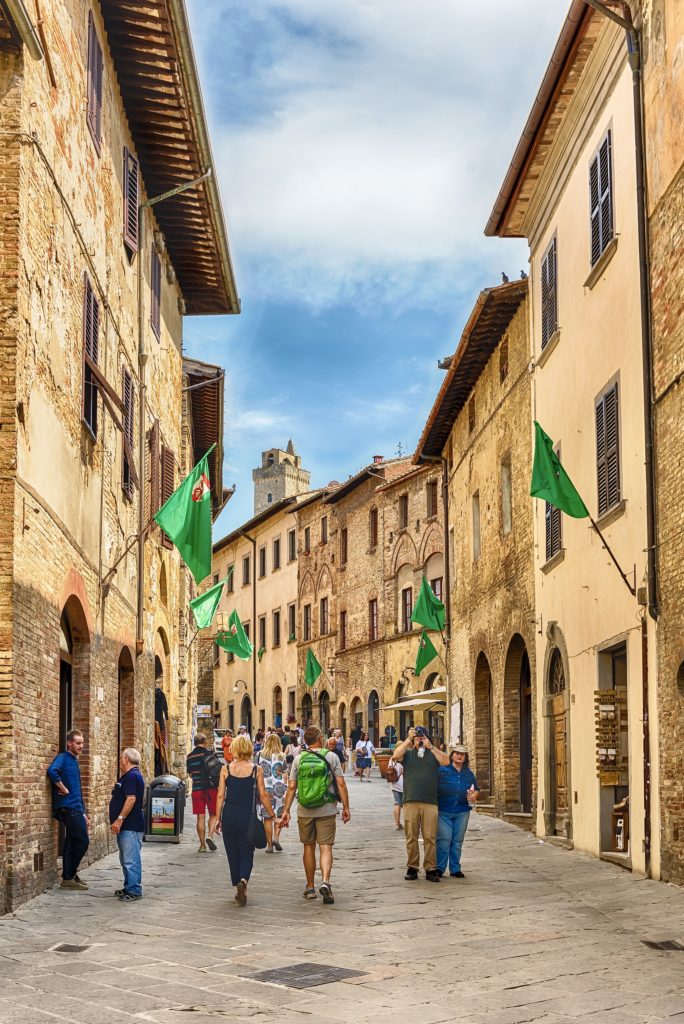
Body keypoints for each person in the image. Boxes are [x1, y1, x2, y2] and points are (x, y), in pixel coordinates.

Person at [280, 726, 350, 905]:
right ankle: (325, 881)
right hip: (326, 807)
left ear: (306, 741)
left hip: (304, 809)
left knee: (308, 847)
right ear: (320, 739)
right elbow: (341, 784)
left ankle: (310, 887)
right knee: (325, 846)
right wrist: (346, 807)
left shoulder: (299, 759)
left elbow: (291, 787)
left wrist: (286, 811)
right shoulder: (331, 756)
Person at [210, 736, 276, 906]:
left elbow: (220, 795)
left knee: (233, 852)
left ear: (234, 749)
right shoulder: (256, 769)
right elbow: (263, 795)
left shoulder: (226, 769)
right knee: (247, 851)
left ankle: (238, 885)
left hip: (230, 815)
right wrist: (272, 814)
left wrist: (218, 818)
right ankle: (244, 881)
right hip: (248, 816)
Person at [391, 726, 449, 882]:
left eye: (421, 737)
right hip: (410, 801)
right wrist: (409, 740)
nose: (419, 739)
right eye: (417, 737)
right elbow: (396, 756)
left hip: (430, 802)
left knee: (430, 837)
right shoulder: (408, 754)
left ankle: (430, 868)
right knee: (411, 837)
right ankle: (412, 867)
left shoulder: (432, 754)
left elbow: (446, 761)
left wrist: (431, 746)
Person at [47, 728, 90, 890]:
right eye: (78, 743)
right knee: (83, 841)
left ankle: (68, 877)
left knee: (71, 842)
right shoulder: (63, 758)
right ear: (69, 743)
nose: (81, 746)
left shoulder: (74, 761)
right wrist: (62, 788)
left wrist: (83, 812)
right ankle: (69, 875)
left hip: (75, 808)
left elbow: (78, 790)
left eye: (82, 743)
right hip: (67, 807)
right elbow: (52, 772)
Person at [437, 744, 479, 878]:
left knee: (457, 841)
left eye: (462, 754)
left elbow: (476, 789)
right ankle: (439, 868)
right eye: (457, 753)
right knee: (444, 840)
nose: (459, 756)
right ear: (452, 755)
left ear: (465, 757)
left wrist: (474, 796)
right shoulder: (442, 770)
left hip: (462, 811)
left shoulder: (468, 773)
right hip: (444, 810)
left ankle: (455, 869)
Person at [109, 748, 146, 901]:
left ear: (126, 759)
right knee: (126, 858)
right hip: (128, 825)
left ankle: (134, 890)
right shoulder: (131, 776)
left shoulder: (131, 776)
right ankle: (129, 886)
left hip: (130, 825)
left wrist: (119, 819)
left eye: (121, 758)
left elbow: (131, 799)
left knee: (131, 859)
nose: (120, 760)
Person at [186, 733, 219, 853]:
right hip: (210, 789)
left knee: (200, 817)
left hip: (197, 789)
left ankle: (202, 846)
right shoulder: (209, 754)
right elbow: (216, 770)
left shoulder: (189, 757)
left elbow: (190, 773)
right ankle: (210, 836)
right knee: (213, 814)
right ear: (204, 742)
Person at [256, 732, 288, 853]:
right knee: (279, 815)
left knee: (268, 818)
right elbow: (285, 772)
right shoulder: (282, 756)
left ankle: (269, 845)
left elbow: (256, 771)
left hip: (265, 788)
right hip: (279, 788)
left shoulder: (259, 755)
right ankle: (276, 838)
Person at [388, 756, 404, 829]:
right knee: (407, 805)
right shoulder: (405, 757)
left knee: (397, 803)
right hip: (404, 783)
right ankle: (408, 823)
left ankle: (398, 824)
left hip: (394, 783)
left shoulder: (392, 758)